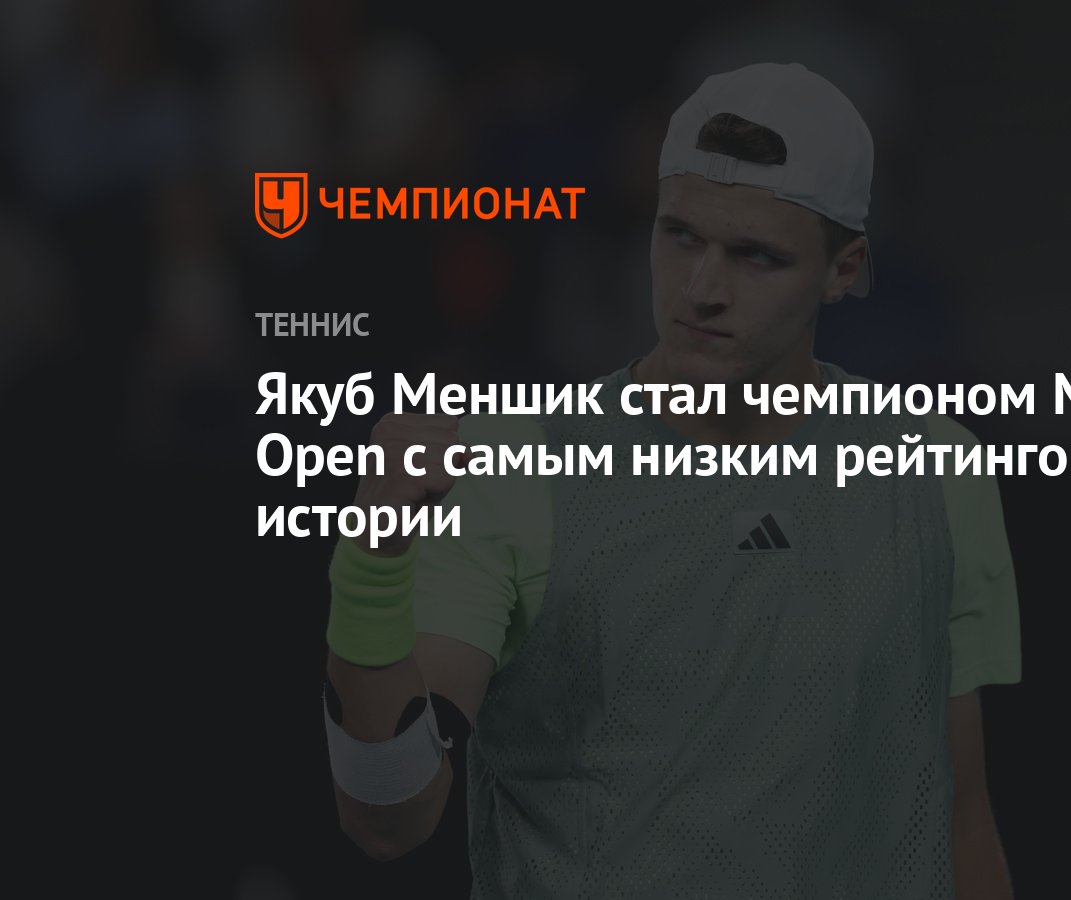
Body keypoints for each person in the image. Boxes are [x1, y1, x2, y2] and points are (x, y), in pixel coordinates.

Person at [322, 62, 1021, 899]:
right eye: (681, 235)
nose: (702, 289)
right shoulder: (512, 470)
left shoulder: (940, 473)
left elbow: (958, 820)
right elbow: (388, 819)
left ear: (845, 269)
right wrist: (371, 564)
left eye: (756, 256)